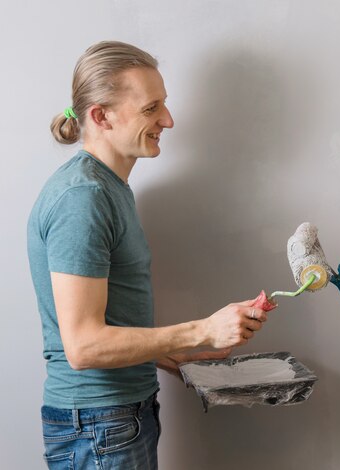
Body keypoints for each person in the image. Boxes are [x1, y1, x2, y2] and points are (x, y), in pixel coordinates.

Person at [27, 41, 269, 469]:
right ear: (101, 116)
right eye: (150, 108)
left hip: (117, 421)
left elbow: (108, 325)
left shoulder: (108, 189)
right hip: (101, 427)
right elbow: (83, 346)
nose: (169, 120)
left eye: (165, 104)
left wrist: (174, 357)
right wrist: (202, 330)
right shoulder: (84, 198)